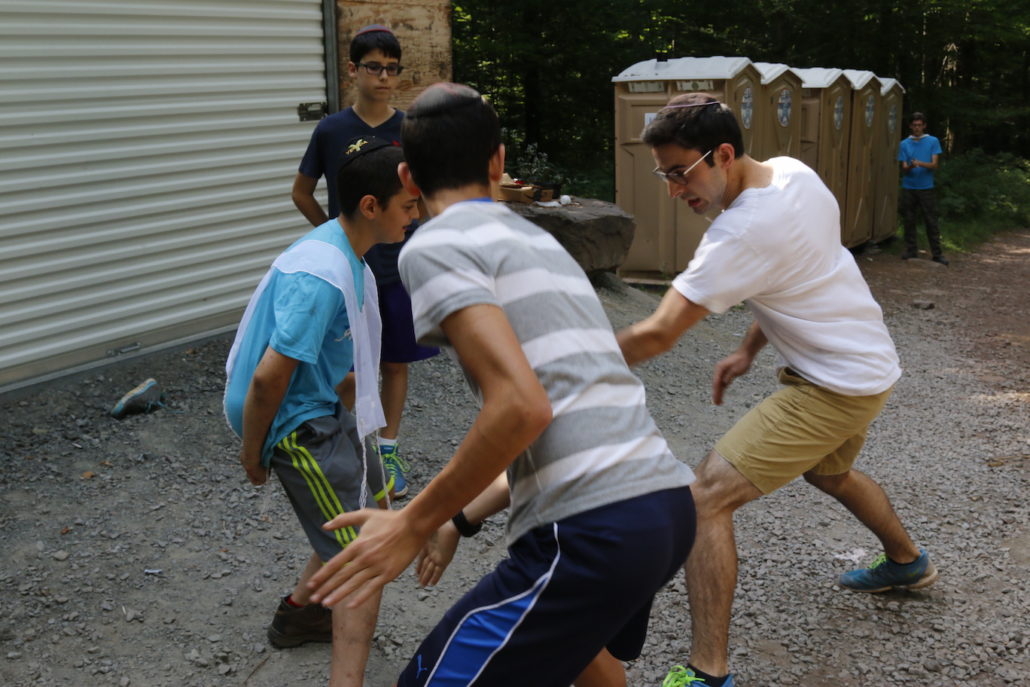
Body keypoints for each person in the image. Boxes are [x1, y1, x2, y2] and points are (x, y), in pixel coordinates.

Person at [306, 82, 698, 687]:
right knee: (581, 655)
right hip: (664, 507)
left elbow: (520, 406)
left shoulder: (435, 242)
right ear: (498, 162)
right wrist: (457, 519)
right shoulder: (540, 242)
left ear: (408, 177)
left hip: (590, 526)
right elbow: (552, 401)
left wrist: (412, 523)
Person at [616, 94, 938, 687]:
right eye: (664, 175)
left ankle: (708, 673)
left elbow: (659, 332)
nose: (673, 191)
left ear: (723, 154)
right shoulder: (794, 173)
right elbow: (797, 271)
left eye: (680, 173)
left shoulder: (740, 232)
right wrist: (748, 349)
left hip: (835, 385)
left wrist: (564, 365)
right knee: (829, 474)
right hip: (866, 363)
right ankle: (907, 562)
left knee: (704, 498)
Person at [224, 136, 420, 687]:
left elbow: (339, 366)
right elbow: (269, 378)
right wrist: (253, 452)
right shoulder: (321, 276)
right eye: (408, 206)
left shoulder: (347, 251)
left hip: (318, 401)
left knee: (366, 506)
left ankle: (301, 613)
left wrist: (358, 423)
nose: (415, 216)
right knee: (366, 553)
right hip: (291, 420)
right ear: (371, 206)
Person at [292, 23, 438, 498]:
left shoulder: (410, 130)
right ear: (352, 70)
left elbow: (428, 196)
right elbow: (300, 192)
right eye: (374, 67)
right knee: (346, 367)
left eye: (392, 69)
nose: (384, 77)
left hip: (399, 269)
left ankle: (388, 450)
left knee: (395, 362)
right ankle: (342, 442)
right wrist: (332, 237)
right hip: (348, 273)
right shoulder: (331, 130)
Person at [898, 112, 947, 265]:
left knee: (931, 220)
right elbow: (904, 167)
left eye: (919, 125)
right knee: (909, 220)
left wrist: (919, 163)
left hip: (926, 187)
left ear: (924, 126)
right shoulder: (904, 144)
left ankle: (937, 253)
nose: (917, 128)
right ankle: (911, 250)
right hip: (909, 187)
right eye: (914, 125)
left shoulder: (933, 141)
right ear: (910, 126)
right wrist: (912, 166)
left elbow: (934, 164)